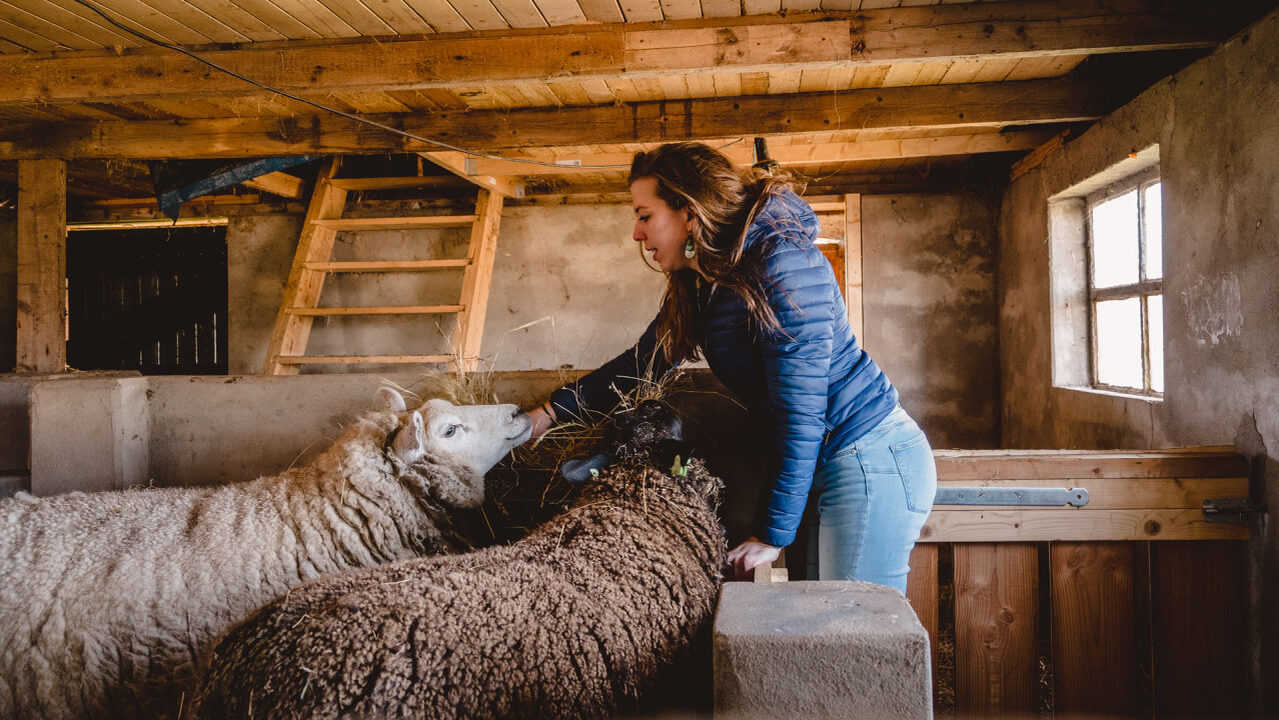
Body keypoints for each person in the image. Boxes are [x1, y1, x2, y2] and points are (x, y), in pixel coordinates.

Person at [524, 142, 936, 594]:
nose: (637, 235)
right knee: (820, 623)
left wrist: (770, 534)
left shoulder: (783, 265)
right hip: (822, 461)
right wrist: (549, 412)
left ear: (689, 211)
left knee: (857, 631)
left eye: (645, 216)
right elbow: (643, 363)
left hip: (866, 457)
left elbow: (800, 412)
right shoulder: (708, 280)